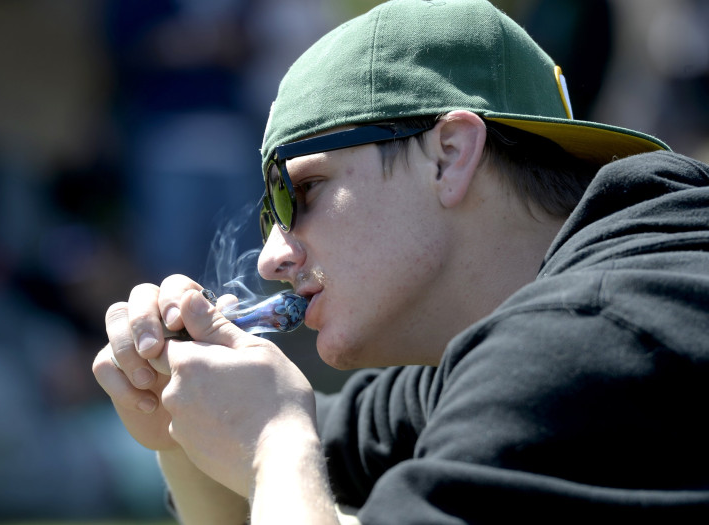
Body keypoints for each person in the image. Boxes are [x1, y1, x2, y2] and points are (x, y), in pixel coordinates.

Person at [93, 0, 709, 522]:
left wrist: (275, 448)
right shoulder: (539, 337)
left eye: (301, 191)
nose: (271, 260)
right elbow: (279, 447)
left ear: (449, 155)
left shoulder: (592, 339)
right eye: (268, 217)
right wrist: (176, 412)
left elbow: (280, 449)